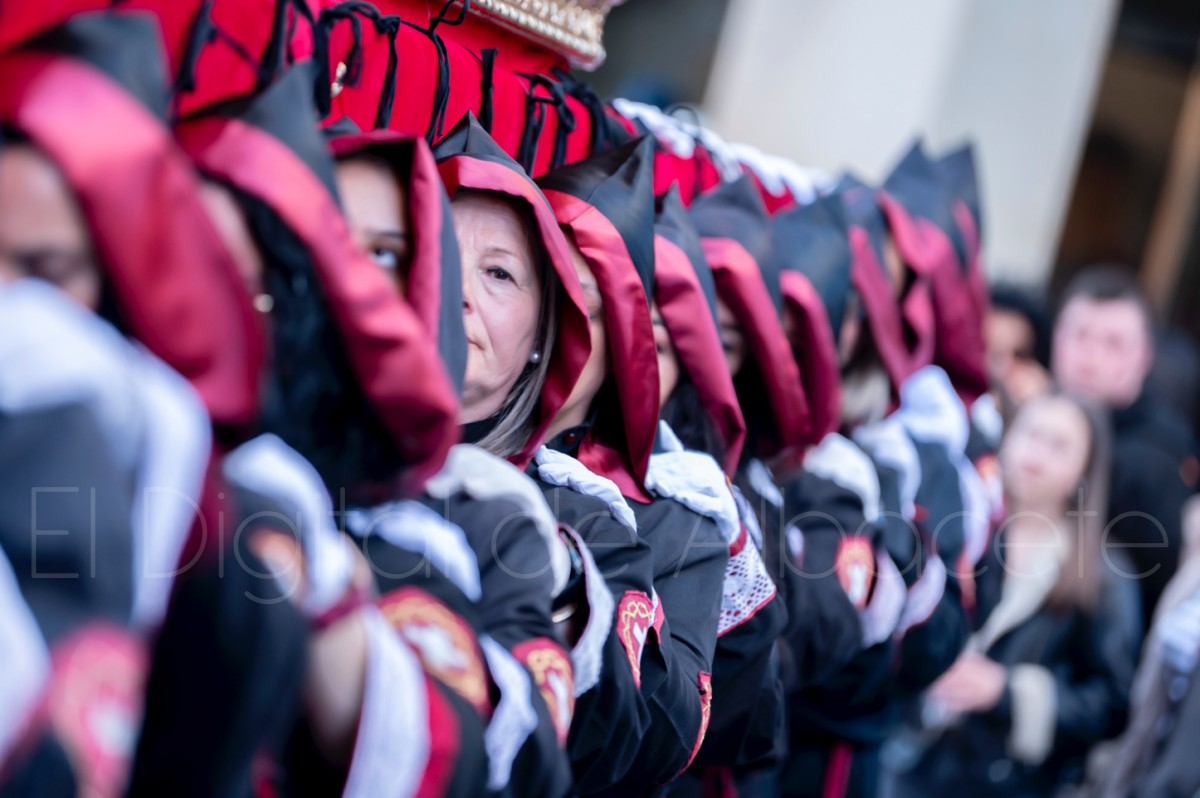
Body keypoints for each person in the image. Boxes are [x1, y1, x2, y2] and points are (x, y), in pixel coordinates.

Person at [890, 391, 1141, 798]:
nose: (1036, 453)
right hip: (911, 759)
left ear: (1085, 468)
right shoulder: (964, 527)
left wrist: (1007, 692)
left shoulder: (1102, 574)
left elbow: (1113, 702)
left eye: (1059, 445)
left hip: (1011, 780)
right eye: (1030, 433)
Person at [1052, 265, 1199, 625]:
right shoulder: (1031, 414)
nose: (1090, 357)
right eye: (1080, 335)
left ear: (1144, 357)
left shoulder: (1153, 461)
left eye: (1113, 343)